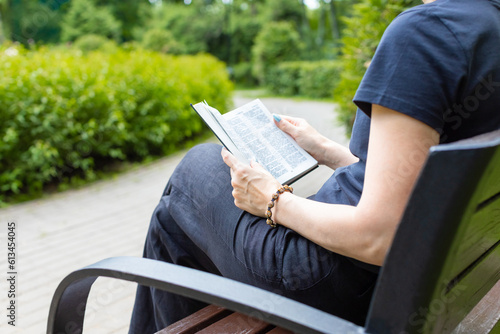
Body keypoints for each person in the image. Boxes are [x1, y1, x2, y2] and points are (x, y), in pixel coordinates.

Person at [129, 0, 500, 332]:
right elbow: (414, 181)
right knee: (172, 222)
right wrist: (324, 149)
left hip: (326, 275)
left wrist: (273, 200)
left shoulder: (426, 32)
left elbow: (380, 237)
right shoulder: (486, 23)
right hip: (421, 277)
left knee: (197, 168)